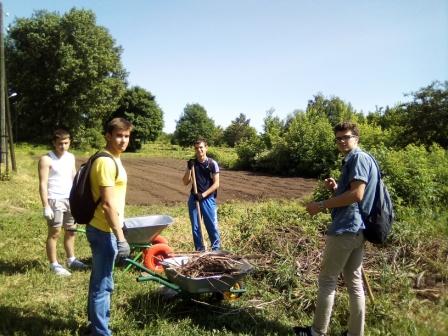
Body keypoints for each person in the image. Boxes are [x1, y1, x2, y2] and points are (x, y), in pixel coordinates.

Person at [294, 122, 379, 336]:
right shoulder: (365, 159)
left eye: (346, 137)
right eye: (338, 138)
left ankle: (317, 332)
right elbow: (351, 195)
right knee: (354, 282)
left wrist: (320, 205)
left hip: (345, 229)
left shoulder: (357, 158)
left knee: (327, 280)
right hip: (359, 229)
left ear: (356, 138)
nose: (342, 141)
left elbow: (357, 195)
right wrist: (336, 189)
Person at [86, 118, 133, 336]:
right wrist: (120, 237)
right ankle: (100, 332)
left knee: (102, 280)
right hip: (104, 230)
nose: (123, 140)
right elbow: (106, 204)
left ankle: (96, 325)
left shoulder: (114, 158)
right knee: (103, 284)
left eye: (126, 136)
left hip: (104, 228)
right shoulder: (106, 162)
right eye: (118, 135)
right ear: (108, 135)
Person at [38, 129, 87, 277]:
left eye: (66, 143)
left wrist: (78, 197)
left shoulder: (70, 157)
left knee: (71, 231)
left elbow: (73, 176)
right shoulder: (46, 159)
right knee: (55, 233)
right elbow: (42, 183)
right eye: (60, 143)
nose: (63, 146)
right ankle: (54, 264)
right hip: (55, 199)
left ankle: (71, 259)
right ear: (54, 143)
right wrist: (46, 205)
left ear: (69, 142)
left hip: (69, 199)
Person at [182, 138, 221, 251]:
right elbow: (185, 182)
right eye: (196, 148)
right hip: (194, 199)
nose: (199, 150)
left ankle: (216, 250)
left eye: (201, 147)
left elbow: (216, 184)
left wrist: (203, 195)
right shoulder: (193, 163)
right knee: (196, 227)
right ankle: (200, 251)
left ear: (206, 148)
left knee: (212, 226)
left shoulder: (212, 164)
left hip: (208, 199)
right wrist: (189, 168)